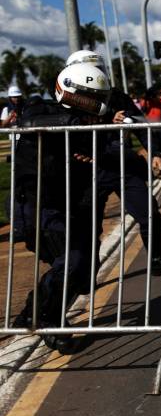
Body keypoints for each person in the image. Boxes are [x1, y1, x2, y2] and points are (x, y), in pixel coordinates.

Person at [12, 63, 108, 351]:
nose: (94, 104)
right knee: (73, 261)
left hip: (66, 206)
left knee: (83, 266)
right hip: (35, 206)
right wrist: (73, 124)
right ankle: (49, 321)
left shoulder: (87, 126)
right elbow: (29, 123)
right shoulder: (39, 108)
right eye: (88, 96)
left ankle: (31, 313)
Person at [62, 51, 161, 276]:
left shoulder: (117, 97)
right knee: (88, 225)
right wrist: (107, 120)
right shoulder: (67, 101)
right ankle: (87, 273)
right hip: (87, 169)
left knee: (149, 214)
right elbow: (71, 131)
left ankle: (156, 258)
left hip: (121, 165)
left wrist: (155, 152)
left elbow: (140, 124)